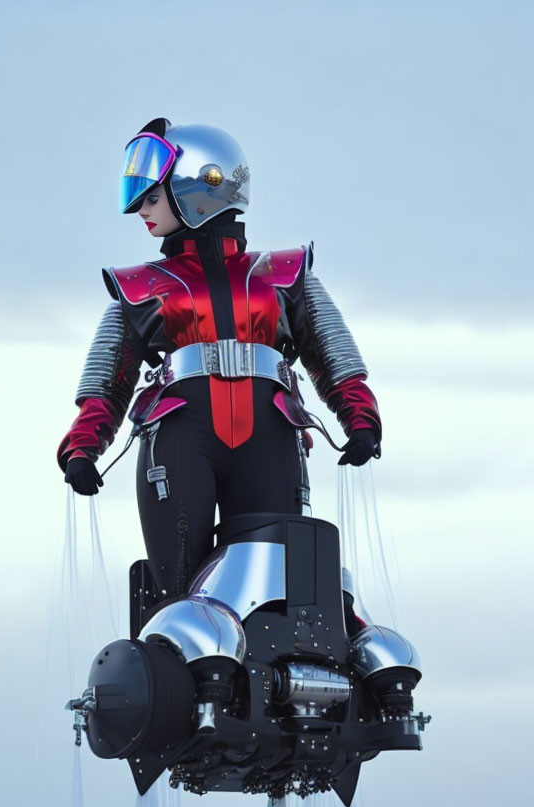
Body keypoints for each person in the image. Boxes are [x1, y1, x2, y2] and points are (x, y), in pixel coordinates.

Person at [58, 118, 381, 603]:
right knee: (182, 592)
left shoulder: (285, 272)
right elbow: (107, 382)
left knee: (278, 588)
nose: (140, 211)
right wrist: (81, 448)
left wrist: (361, 417)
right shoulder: (138, 286)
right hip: (183, 439)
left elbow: (333, 354)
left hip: (269, 436)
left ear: (199, 185)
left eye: (151, 198)